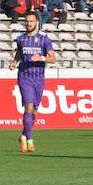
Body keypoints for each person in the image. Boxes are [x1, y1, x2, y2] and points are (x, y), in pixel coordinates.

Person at [10, 11, 56, 153]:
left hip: (39, 78)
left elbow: (52, 59)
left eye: (31, 21)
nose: (28, 23)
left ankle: (23, 135)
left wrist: (41, 58)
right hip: (24, 76)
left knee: (34, 111)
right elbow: (19, 53)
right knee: (28, 107)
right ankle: (29, 141)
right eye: (26, 21)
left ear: (37, 22)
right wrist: (14, 63)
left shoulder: (44, 40)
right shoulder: (21, 39)